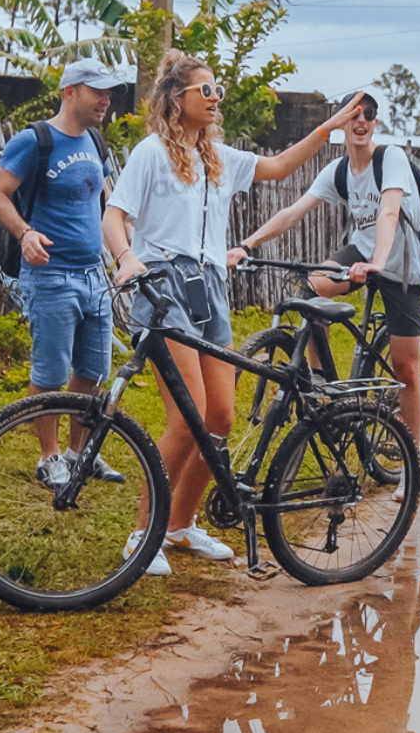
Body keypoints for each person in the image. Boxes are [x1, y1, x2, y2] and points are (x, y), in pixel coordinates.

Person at [103, 51, 361, 573]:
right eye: (205, 90)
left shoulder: (217, 157)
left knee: (219, 418)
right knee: (188, 418)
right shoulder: (151, 153)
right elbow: (115, 216)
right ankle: (142, 534)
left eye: (217, 89)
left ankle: (179, 525)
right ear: (177, 100)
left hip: (210, 288)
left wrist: (328, 129)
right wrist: (127, 258)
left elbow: (281, 165)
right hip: (165, 286)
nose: (215, 97)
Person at [233, 88, 420, 449]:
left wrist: (377, 264)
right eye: (353, 114)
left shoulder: (391, 159)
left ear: (376, 122)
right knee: (312, 289)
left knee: (406, 368)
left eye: (368, 114)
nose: (361, 121)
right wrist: (247, 244)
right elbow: (293, 212)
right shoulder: (338, 170)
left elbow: (389, 212)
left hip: (400, 265)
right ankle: (326, 384)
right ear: (341, 121)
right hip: (363, 252)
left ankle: (412, 460)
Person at [0, 57, 132, 489]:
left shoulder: (95, 142)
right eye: (97, 92)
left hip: (94, 277)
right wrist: (25, 233)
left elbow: (108, 204)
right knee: (50, 375)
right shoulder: (35, 141)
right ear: (70, 92)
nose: (106, 100)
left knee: (91, 371)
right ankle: (49, 458)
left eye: (108, 93)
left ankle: (79, 453)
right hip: (51, 276)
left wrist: (125, 254)